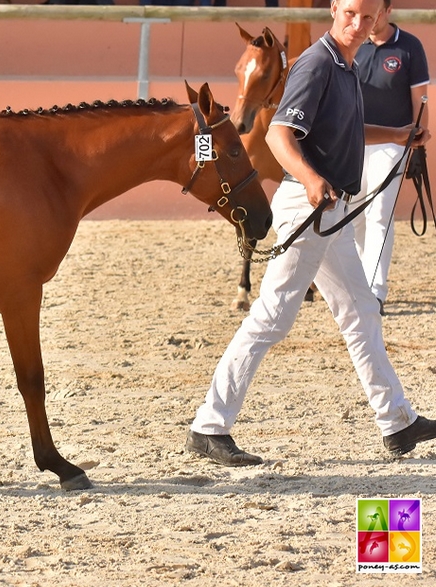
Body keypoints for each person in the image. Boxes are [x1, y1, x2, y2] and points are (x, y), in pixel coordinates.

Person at [185, 0, 433, 467]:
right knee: (273, 316)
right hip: (308, 205)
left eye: (368, 16)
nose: (359, 24)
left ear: (382, 15)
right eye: (350, 14)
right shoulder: (318, 63)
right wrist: (314, 179)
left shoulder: (346, 63)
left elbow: (346, 127)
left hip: (327, 208)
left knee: (360, 310)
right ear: (335, 9)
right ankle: (209, 425)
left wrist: (399, 134)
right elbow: (280, 135)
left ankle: (396, 422)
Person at [351, 0, 429, 316]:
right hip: (355, 142)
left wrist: (417, 145)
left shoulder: (410, 47)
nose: (369, 19)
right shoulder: (353, 46)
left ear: (388, 10)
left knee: (379, 213)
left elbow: (419, 101)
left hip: (394, 143)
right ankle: (360, 286)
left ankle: (375, 292)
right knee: (354, 216)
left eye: (375, 12)